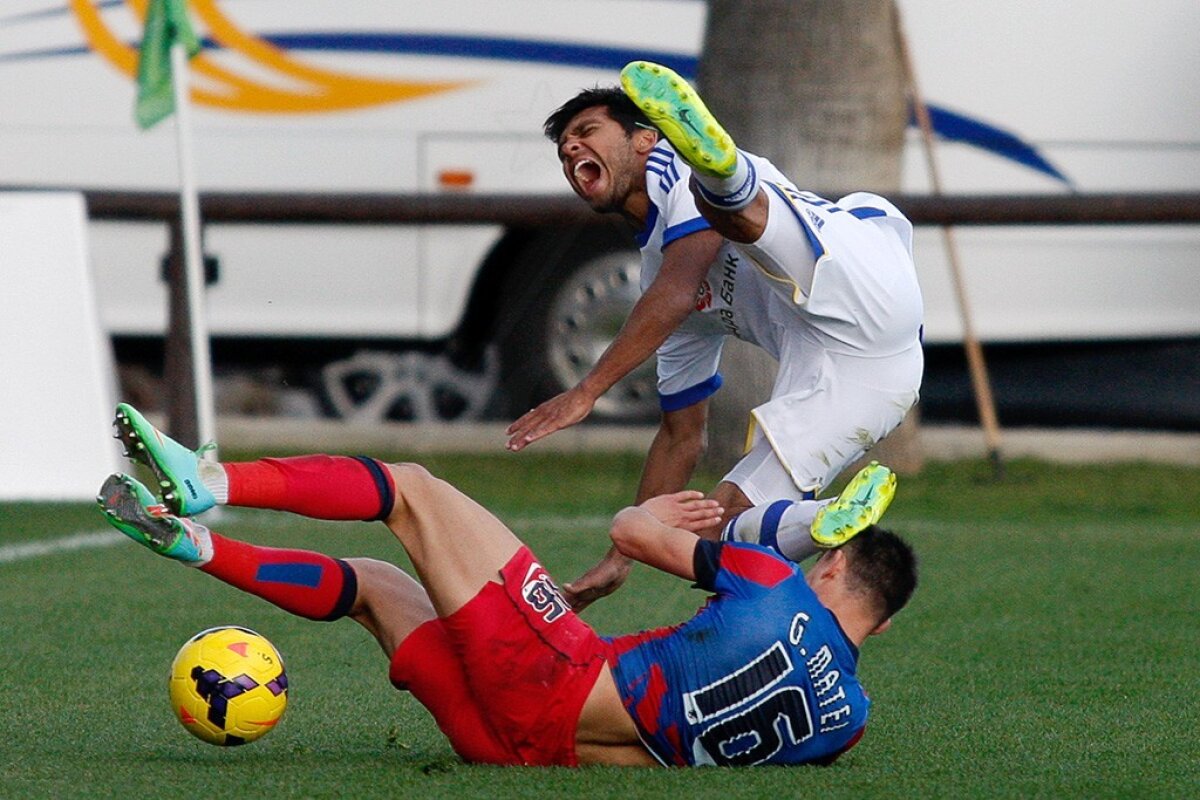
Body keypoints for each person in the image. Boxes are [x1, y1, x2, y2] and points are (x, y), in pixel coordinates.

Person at [99, 402, 917, 767]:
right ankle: (197, 545)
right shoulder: (847, 723)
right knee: (378, 585)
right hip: (520, 753)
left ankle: (211, 481)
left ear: (831, 563)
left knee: (412, 489)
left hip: (554, 678)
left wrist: (658, 512)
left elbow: (630, 534)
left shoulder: (775, 582)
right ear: (879, 626)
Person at [505, 61, 924, 608]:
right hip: (876, 374)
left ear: (647, 138)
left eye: (587, 131)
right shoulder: (659, 288)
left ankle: (729, 177)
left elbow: (679, 290)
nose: (571, 150)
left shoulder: (672, 170)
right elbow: (681, 436)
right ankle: (822, 519)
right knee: (716, 537)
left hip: (864, 281)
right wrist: (627, 550)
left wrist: (586, 391)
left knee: (726, 206)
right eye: (564, 151)